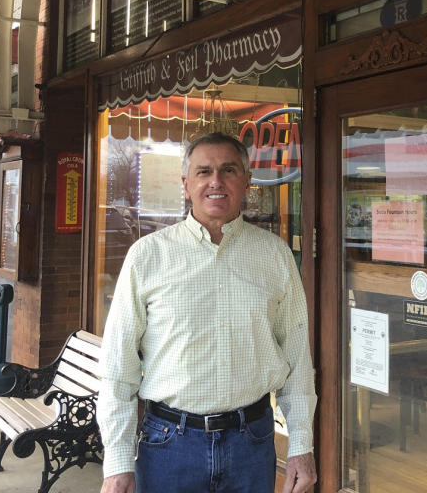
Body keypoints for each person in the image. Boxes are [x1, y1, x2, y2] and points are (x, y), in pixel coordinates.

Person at [97, 132, 317, 493]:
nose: (216, 181)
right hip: (169, 445)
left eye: (228, 170)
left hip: (253, 442)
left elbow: (297, 362)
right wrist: (117, 463)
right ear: (186, 184)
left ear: (247, 182)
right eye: (204, 172)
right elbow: (117, 370)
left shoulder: (274, 256)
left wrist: (301, 447)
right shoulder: (148, 256)